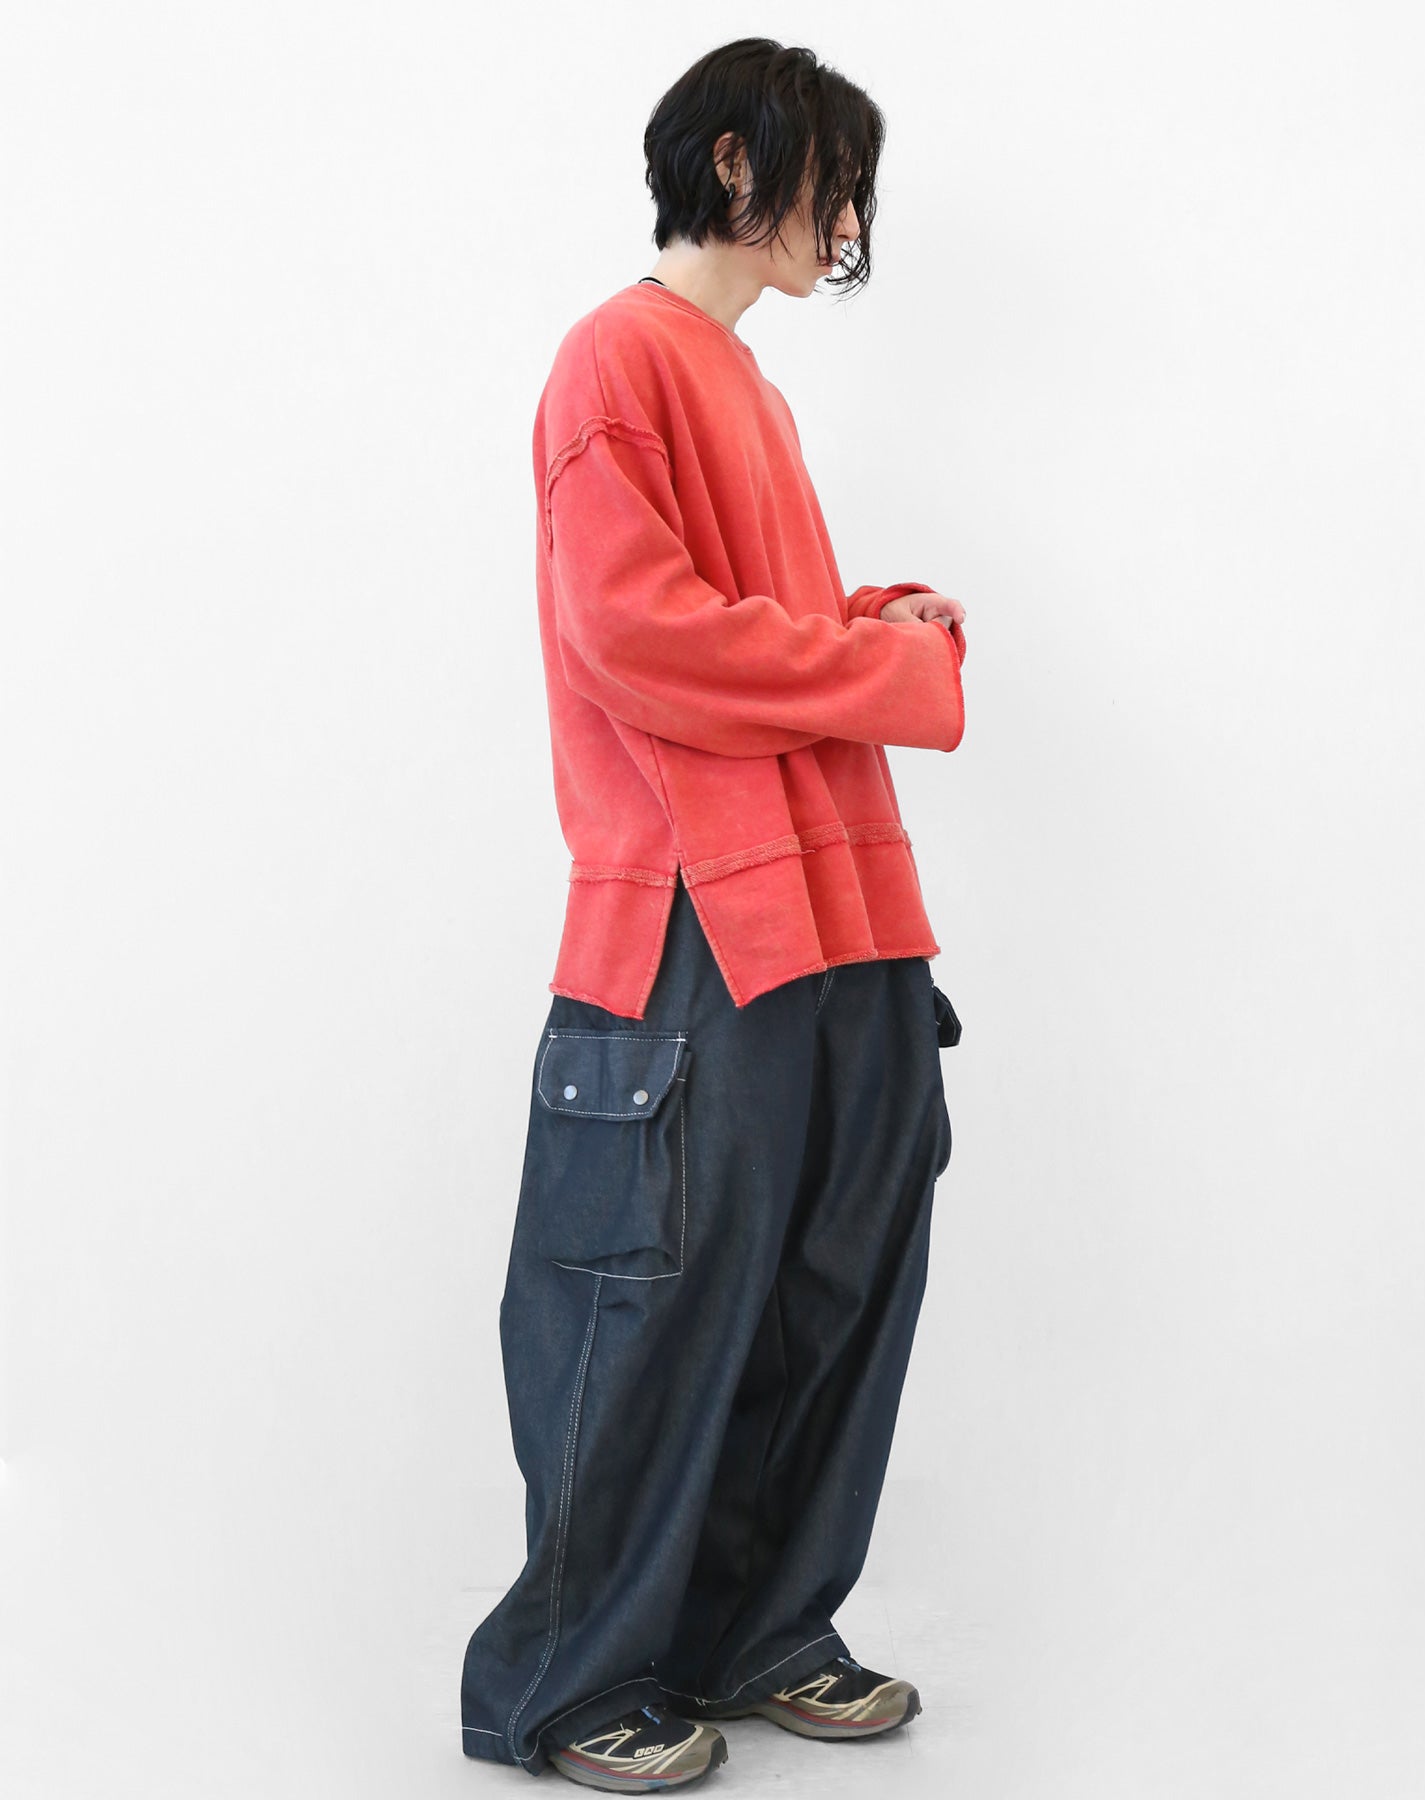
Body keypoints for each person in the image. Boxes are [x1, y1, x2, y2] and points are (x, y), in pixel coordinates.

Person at [460, 36, 968, 1792]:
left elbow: (752, 630)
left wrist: (867, 620)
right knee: (651, 1296)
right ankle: (570, 1680)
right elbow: (639, 636)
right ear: (738, 165)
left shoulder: (748, 388)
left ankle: (760, 1631)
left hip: (845, 913)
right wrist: (878, 669)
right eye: (834, 178)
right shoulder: (617, 358)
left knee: (838, 1275)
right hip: (697, 913)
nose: (850, 219)